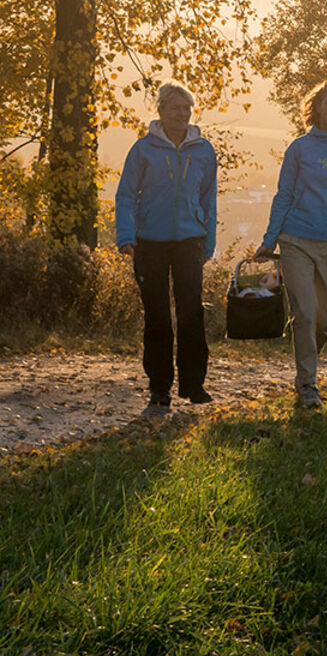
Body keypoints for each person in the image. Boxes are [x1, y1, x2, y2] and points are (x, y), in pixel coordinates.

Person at [257, 77, 327, 410]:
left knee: (326, 318)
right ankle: (307, 383)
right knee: (305, 310)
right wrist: (269, 239)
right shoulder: (299, 148)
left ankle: (306, 361)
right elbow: (284, 195)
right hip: (296, 239)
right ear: (316, 106)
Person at [115, 83, 219, 418]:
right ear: (161, 111)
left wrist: (209, 240)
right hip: (150, 242)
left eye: (187, 108)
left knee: (191, 312)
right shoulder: (143, 149)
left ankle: (194, 385)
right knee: (157, 317)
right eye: (175, 108)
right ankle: (159, 390)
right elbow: (127, 195)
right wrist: (126, 235)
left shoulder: (203, 150)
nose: (182, 114)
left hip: (190, 240)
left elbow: (209, 199)